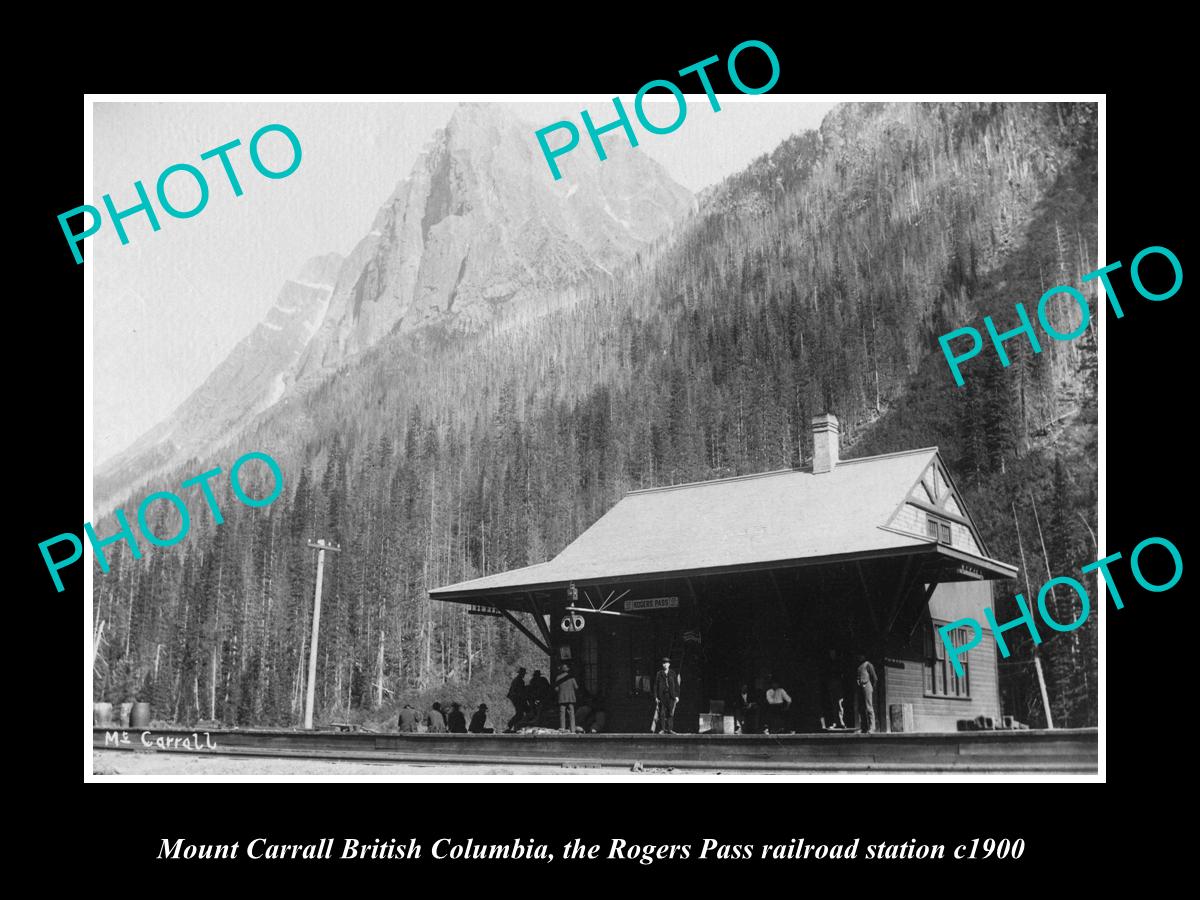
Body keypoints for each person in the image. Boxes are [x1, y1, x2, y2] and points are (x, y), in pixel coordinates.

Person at [652, 657, 680, 734]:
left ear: (669, 664)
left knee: (670, 712)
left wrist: (677, 696)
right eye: (664, 663)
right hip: (662, 696)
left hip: (671, 696)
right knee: (662, 713)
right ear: (662, 664)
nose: (665, 665)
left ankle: (670, 729)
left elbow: (677, 685)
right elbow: (655, 686)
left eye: (667, 663)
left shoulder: (672, 673)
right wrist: (656, 697)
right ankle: (663, 729)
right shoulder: (659, 674)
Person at [822, 649, 847, 730]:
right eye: (830, 653)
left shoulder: (838, 663)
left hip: (838, 685)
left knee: (839, 703)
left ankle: (841, 721)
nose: (832, 654)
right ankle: (835, 722)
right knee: (833, 704)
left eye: (833, 653)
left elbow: (842, 673)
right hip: (831, 684)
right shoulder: (828, 664)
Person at [855, 654, 878, 733]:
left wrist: (871, 687)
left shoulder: (868, 665)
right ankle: (863, 727)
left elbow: (874, 678)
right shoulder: (859, 666)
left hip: (867, 686)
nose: (860, 657)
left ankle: (872, 727)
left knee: (869, 707)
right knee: (861, 708)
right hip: (860, 688)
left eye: (861, 655)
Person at [554, 663, 579, 733]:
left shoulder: (558, 677)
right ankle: (573, 729)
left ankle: (562, 729)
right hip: (571, 698)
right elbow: (576, 687)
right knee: (571, 714)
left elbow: (556, 689)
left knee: (562, 714)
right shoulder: (571, 677)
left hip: (562, 698)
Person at [505, 667, 528, 732]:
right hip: (516, 698)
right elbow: (520, 692)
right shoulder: (519, 681)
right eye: (523, 673)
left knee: (520, 713)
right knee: (520, 713)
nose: (523, 675)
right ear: (521, 673)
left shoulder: (517, 680)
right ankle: (511, 725)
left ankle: (516, 726)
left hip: (515, 698)